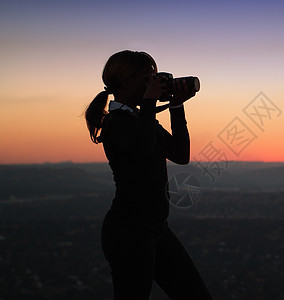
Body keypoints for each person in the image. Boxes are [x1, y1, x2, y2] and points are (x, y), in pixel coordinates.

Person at [84, 50, 212, 299]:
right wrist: (151, 103)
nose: (152, 83)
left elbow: (181, 154)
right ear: (127, 81)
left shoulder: (142, 119)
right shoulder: (117, 122)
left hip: (156, 228)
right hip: (128, 232)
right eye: (147, 78)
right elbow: (141, 149)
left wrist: (176, 106)